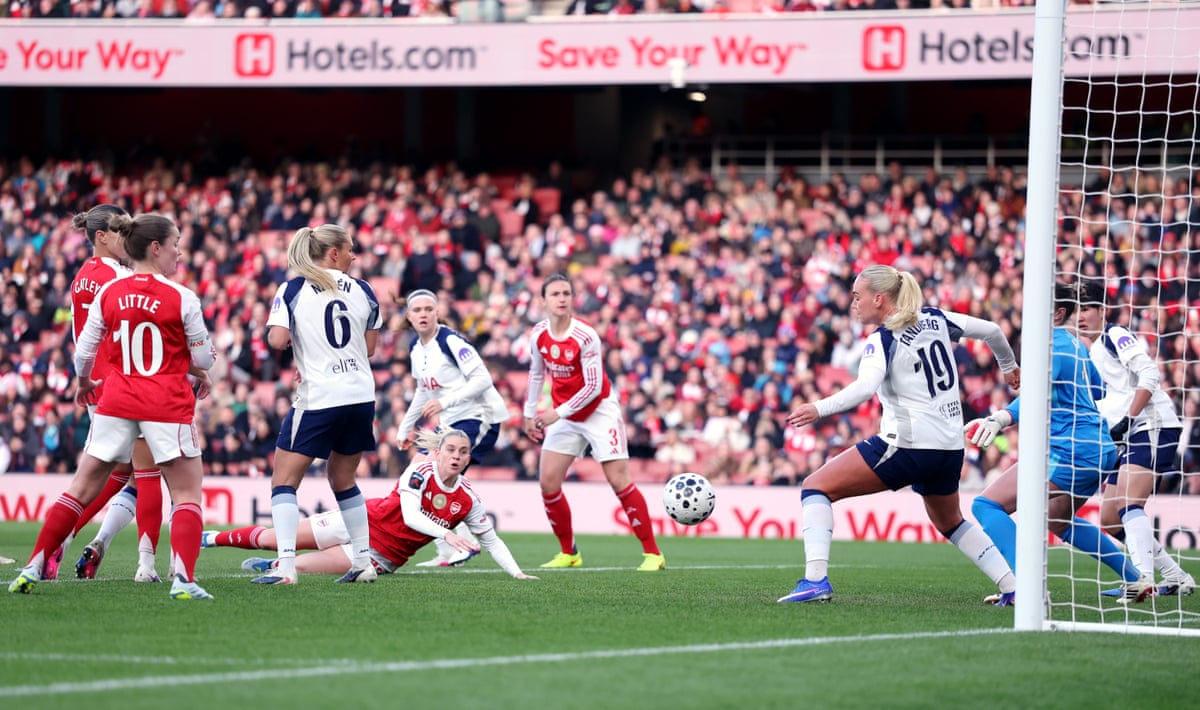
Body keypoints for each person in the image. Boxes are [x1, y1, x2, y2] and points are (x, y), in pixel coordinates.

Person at [778, 264, 1020, 605]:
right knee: (950, 521)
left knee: (815, 487)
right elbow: (994, 330)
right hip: (949, 448)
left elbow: (865, 389)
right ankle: (1013, 587)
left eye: (857, 296)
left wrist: (819, 408)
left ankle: (815, 580)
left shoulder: (883, 338)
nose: (853, 303)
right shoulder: (937, 318)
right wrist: (1009, 367)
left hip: (907, 446)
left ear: (878, 299)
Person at [9, 213, 216, 600]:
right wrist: (198, 368)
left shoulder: (110, 292)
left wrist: (86, 383)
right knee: (186, 494)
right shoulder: (182, 296)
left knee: (80, 489)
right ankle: (182, 580)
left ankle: (33, 566)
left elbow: (82, 354)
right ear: (156, 248)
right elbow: (204, 360)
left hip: (116, 399)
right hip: (165, 404)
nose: (179, 252)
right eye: (175, 244)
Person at [968, 282, 1151, 604]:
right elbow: (1097, 393)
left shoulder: (1051, 347)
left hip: (1070, 451)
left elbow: (1037, 394)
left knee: (986, 505)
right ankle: (1135, 578)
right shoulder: (1078, 347)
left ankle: (1025, 587)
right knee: (1058, 520)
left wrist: (1000, 418)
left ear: (1059, 312)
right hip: (1099, 448)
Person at [201, 429, 538, 580]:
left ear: (467, 460)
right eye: (451, 450)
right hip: (360, 521)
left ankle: (274, 566)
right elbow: (410, 515)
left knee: (300, 567)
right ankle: (211, 538)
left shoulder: (468, 500)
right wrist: (447, 535)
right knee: (274, 536)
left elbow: (491, 540)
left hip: (380, 556)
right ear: (439, 452)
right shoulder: (420, 470)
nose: (456, 457)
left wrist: (518, 573)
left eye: (463, 453)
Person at [255, 224, 381, 585]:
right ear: (334, 253)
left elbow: (277, 339)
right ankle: (362, 562)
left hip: (321, 397)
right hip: (360, 396)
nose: (355, 256)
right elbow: (368, 348)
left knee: (284, 481)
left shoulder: (293, 288)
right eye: (351, 249)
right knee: (343, 478)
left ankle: (287, 568)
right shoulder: (365, 290)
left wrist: (305, 350)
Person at [47, 204, 166, 584]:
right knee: (145, 474)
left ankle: (81, 541)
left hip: (97, 389)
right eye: (121, 231)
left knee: (119, 474)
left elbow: (80, 338)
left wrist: (83, 379)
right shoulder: (119, 277)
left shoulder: (81, 276)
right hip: (125, 384)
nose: (127, 238)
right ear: (102, 236)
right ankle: (145, 565)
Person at [523, 273, 664, 571]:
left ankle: (653, 554)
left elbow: (591, 387)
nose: (562, 299)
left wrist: (554, 413)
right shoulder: (538, 334)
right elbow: (536, 373)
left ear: (573, 299)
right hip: (565, 413)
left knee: (618, 480)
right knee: (548, 482)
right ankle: (569, 553)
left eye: (566, 293)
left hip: (599, 410)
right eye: (555, 294)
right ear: (543, 301)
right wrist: (528, 413)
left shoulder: (585, 336)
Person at [1076, 280, 1194, 596]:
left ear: (1103, 310)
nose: (1081, 315)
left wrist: (1128, 419)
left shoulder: (1115, 335)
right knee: (1111, 519)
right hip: (1128, 433)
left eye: (1087, 308)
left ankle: (1141, 579)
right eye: (1077, 309)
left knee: (1130, 503)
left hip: (1153, 424)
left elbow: (1151, 375)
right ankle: (1177, 577)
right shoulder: (1090, 352)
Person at [394, 288, 510, 568]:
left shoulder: (451, 341)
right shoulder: (415, 349)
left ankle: (464, 545)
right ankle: (447, 552)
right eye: (417, 310)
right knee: (418, 469)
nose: (423, 314)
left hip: (480, 416)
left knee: (439, 473)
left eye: (428, 309)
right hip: (451, 421)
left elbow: (483, 378)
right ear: (409, 316)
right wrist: (404, 428)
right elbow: (423, 392)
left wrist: (445, 401)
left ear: (437, 313)